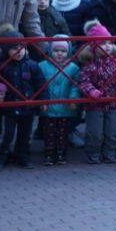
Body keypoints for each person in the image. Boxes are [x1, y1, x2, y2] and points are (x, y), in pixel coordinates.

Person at [76, 22, 116, 164]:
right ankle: (93, 153)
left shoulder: (115, 60)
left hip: (112, 101)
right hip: (95, 104)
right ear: (94, 46)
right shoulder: (90, 63)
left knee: (114, 129)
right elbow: (83, 81)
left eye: (110, 42)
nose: (108, 46)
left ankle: (110, 152)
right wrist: (91, 91)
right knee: (95, 131)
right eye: (103, 43)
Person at [0, 30, 45, 170]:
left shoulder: (32, 65)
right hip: (9, 107)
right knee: (7, 135)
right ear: (6, 50)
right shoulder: (2, 66)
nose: (19, 51)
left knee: (26, 135)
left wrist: (43, 100)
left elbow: (41, 84)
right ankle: (1, 157)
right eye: (14, 48)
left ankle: (23, 156)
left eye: (22, 47)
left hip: (29, 107)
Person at [38, 39, 80, 167]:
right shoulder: (42, 66)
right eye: (56, 51)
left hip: (65, 106)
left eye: (63, 51)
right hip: (48, 106)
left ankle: (61, 153)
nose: (59, 54)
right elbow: (40, 85)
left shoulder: (73, 68)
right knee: (48, 132)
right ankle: (49, 154)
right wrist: (42, 101)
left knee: (63, 132)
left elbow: (75, 85)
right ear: (51, 51)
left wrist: (73, 99)